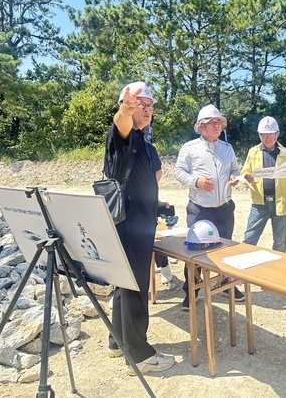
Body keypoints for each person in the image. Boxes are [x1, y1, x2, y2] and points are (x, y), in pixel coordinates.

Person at [104, 81, 175, 374]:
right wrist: (125, 110)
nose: (146, 110)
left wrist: (158, 206)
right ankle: (140, 356)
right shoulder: (124, 135)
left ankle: (117, 340)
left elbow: (139, 183)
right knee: (135, 288)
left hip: (137, 218)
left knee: (124, 284)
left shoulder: (143, 141)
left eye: (150, 106)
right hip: (130, 223)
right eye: (139, 105)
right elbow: (120, 123)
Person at [174, 104, 243, 310]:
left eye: (219, 123)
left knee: (225, 249)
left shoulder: (227, 148)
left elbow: (235, 169)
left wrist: (234, 177)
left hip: (224, 207)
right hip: (200, 208)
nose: (217, 126)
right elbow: (178, 172)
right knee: (194, 253)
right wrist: (197, 182)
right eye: (212, 123)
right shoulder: (190, 148)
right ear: (201, 127)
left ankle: (226, 285)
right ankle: (191, 291)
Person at [241, 116, 286, 252]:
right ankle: (243, 268)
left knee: (280, 242)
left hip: (281, 203)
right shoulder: (253, 152)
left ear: (277, 134)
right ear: (259, 134)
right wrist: (246, 177)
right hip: (259, 204)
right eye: (263, 134)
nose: (267, 137)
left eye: (270, 134)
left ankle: (278, 271)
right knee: (249, 238)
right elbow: (244, 172)